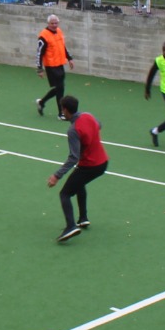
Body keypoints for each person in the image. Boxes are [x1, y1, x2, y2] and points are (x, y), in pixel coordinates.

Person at [47, 94, 108, 243]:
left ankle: (71, 226)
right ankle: (83, 218)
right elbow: (99, 125)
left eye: (62, 109)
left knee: (65, 194)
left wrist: (57, 175)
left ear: (66, 110)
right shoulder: (88, 116)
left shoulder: (73, 130)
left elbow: (73, 157)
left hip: (90, 165)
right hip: (103, 162)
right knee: (79, 183)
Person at [35, 13, 71, 117]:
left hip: (60, 64)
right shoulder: (43, 35)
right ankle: (61, 113)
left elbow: (63, 46)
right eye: (52, 23)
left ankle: (41, 102)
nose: (54, 25)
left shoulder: (59, 31)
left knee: (60, 88)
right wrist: (39, 69)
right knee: (60, 88)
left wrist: (69, 58)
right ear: (48, 23)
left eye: (56, 23)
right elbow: (39, 53)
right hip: (51, 66)